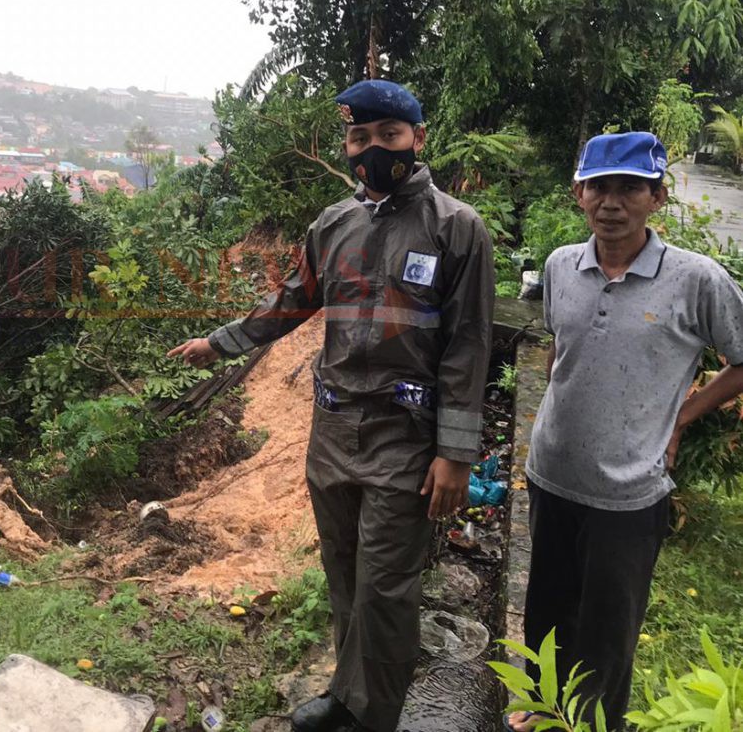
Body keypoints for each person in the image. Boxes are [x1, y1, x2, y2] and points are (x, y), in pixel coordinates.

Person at [169, 80, 494, 732]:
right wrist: (221, 342)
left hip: (406, 435)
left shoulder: (457, 228)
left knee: (385, 587)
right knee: (343, 572)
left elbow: (468, 346)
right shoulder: (332, 225)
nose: (372, 150)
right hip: (334, 428)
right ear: (346, 144)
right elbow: (292, 301)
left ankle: (376, 715)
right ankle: (349, 697)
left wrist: (455, 454)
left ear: (418, 139)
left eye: (388, 136)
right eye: (359, 138)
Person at [505, 132, 743, 732]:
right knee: (547, 608)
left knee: (608, 628)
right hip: (551, 474)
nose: (612, 202)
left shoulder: (696, 279)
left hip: (629, 493)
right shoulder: (561, 264)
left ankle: (592, 725)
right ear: (578, 194)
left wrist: (682, 416)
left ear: (657, 197)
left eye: (629, 188)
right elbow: (564, 349)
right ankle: (540, 705)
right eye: (599, 187)